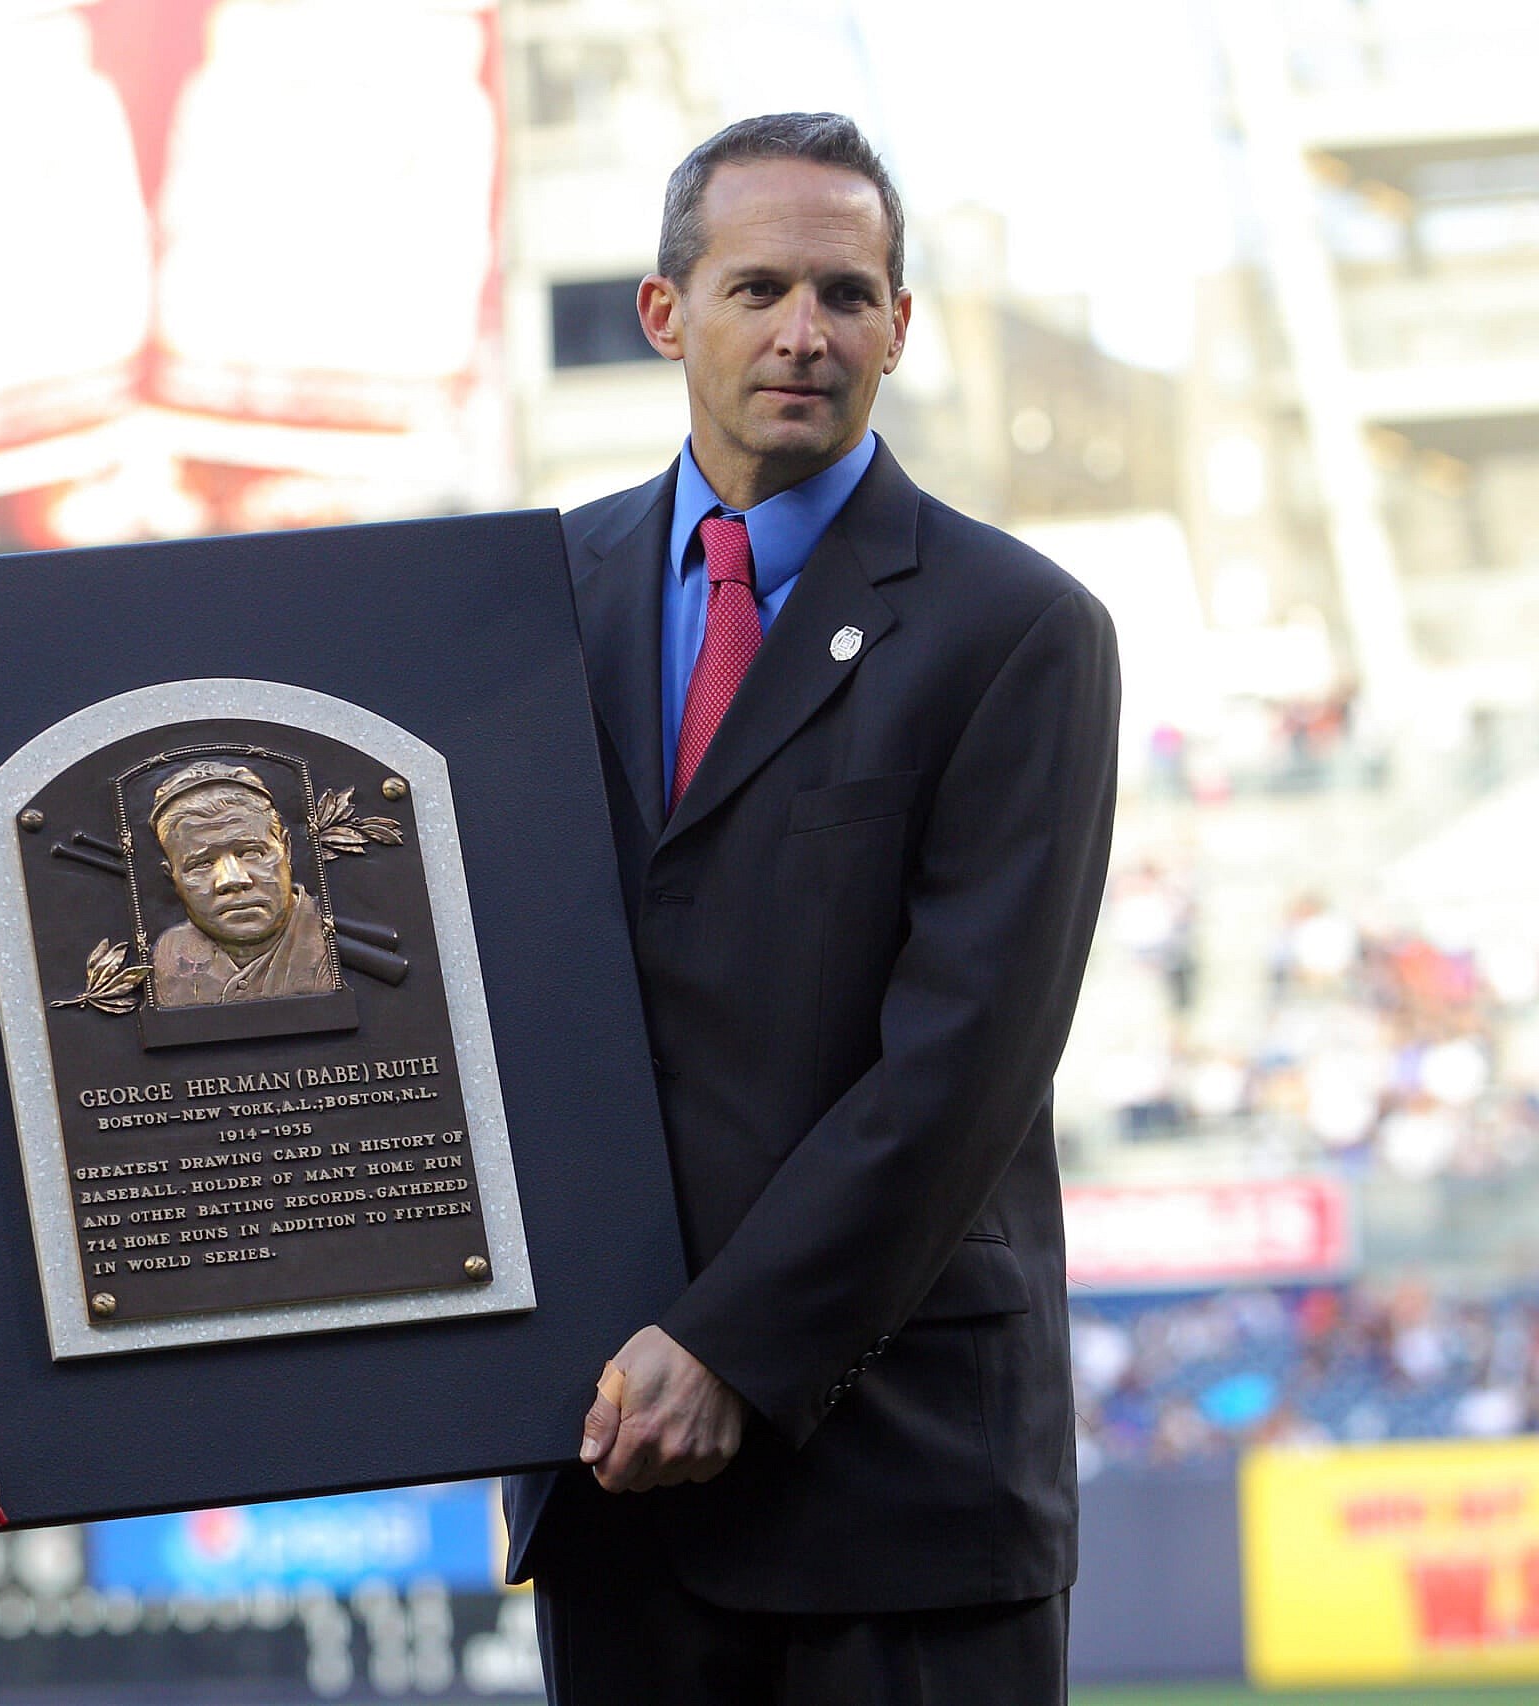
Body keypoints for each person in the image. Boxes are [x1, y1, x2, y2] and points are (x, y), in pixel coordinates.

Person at [505, 115, 1121, 1703]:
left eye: (848, 294)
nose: (804, 332)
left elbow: (962, 1066)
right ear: (664, 312)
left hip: (899, 1491)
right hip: (611, 1476)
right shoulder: (516, 605)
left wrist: (732, 1347)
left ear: (901, 328)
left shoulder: (1019, 630)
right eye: (759, 285)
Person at [147, 761, 338, 1005]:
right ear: (172, 878)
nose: (233, 879)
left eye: (251, 853)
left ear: (286, 849)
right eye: (202, 864)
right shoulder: (168, 955)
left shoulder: (333, 948)